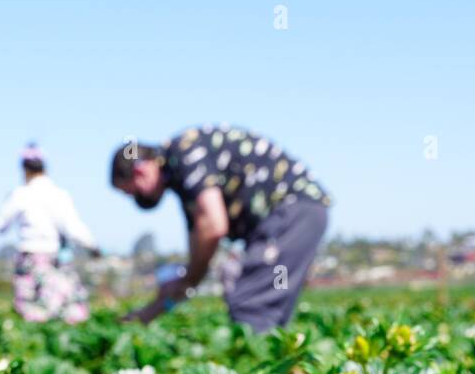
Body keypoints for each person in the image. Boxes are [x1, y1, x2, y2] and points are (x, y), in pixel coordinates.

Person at [111, 125, 331, 332]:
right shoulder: (184, 180)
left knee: (252, 303)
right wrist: (158, 305)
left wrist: (189, 279)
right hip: (290, 217)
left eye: (131, 192)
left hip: (291, 213)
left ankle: (260, 366)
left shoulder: (185, 151)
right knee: (268, 305)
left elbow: (213, 227)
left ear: (140, 171)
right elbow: (199, 243)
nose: (136, 199)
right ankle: (281, 364)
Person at [0, 143, 100, 324]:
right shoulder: (59, 194)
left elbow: (0, 225)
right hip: (55, 259)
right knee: (67, 309)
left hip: (29, 258)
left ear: (24, 169)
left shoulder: (20, 194)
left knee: (31, 311)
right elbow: (73, 227)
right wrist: (92, 246)